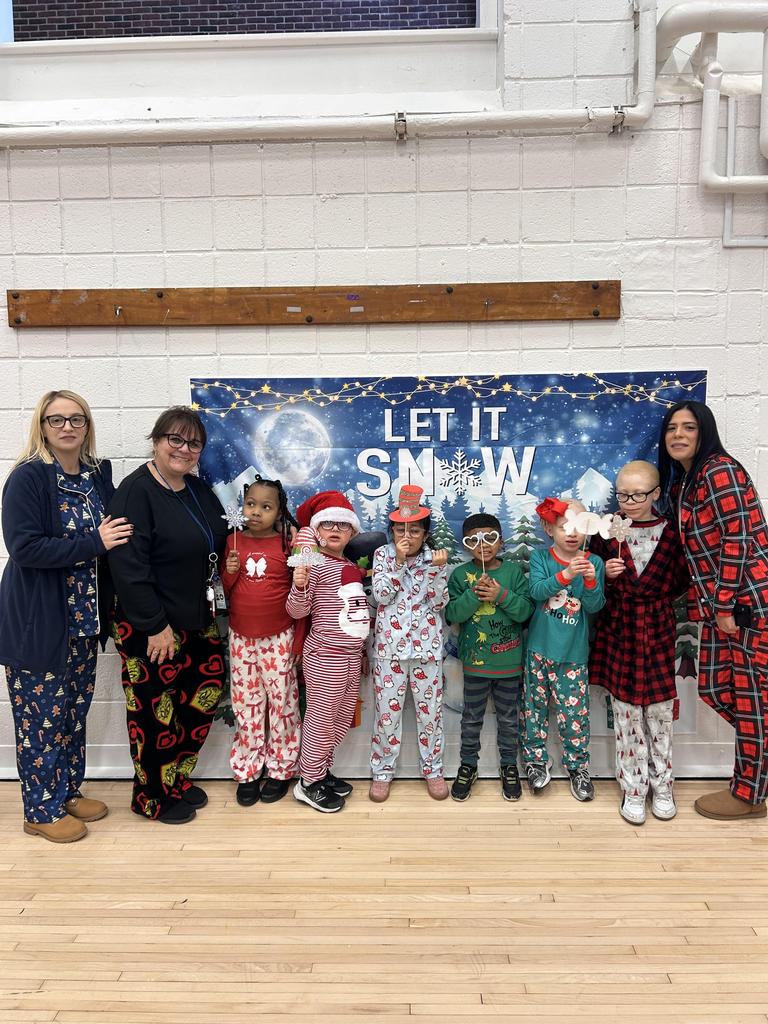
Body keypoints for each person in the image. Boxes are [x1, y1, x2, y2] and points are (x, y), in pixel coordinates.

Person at [0, 390, 132, 843]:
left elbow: (117, 534)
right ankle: (40, 811)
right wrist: (94, 543)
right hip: (40, 624)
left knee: (73, 715)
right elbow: (25, 548)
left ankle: (67, 793)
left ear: (87, 425)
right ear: (42, 426)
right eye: (56, 420)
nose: (67, 427)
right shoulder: (28, 478)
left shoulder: (95, 475)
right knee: (41, 721)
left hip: (84, 623)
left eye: (77, 419)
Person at [107, 406, 228, 824]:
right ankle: (151, 796)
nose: (184, 449)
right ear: (156, 441)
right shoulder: (135, 492)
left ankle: (174, 778)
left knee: (201, 696)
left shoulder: (196, 489)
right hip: (151, 625)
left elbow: (218, 537)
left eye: (194, 443)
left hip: (197, 618)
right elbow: (127, 566)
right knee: (154, 713)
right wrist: (154, 626)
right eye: (175, 439)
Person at [659, 400, 768, 821]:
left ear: (704, 432)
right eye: (672, 428)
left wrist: (724, 605)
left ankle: (749, 794)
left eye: (689, 427)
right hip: (720, 609)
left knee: (753, 703)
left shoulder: (719, 471)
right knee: (715, 690)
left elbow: (737, 540)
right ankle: (755, 771)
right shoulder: (686, 482)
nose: (679, 435)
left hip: (747, 605)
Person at [589, 461, 689, 826]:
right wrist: (606, 574)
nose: (629, 502)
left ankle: (663, 786)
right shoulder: (607, 531)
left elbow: (681, 580)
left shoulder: (673, 532)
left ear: (656, 494)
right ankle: (633, 788)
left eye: (638, 495)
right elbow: (592, 581)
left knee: (660, 713)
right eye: (623, 495)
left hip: (658, 629)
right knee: (626, 714)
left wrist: (655, 598)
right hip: (621, 629)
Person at [287, 490, 371, 813]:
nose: (335, 529)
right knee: (321, 721)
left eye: (342, 524)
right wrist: (300, 583)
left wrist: (361, 653)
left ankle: (321, 771)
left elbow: (355, 611)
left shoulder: (349, 565)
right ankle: (308, 782)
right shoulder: (314, 564)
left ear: (352, 531)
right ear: (317, 530)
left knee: (340, 719)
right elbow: (296, 610)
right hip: (326, 655)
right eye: (328, 524)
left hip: (350, 657)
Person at [222, 475, 301, 807]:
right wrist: (230, 571)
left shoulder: (287, 545)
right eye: (250, 504)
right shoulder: (234, 541)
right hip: (241, 637)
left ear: (279, 512)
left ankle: (281, 769)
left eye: (266, 507)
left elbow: (301, 595)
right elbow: (226, 590)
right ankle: (248, 770)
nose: (256, 512)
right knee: (246, 705)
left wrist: (298, 642)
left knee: (282, 705)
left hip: (279, 637)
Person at [368, 485, 450, 803]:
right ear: (392, 530)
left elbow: (439, 603)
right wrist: (399, 562)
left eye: (414, 530)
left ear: (425, 534)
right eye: (400, 529)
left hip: (427, 650)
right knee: (386, 716)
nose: (407, 536)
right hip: (390, 651)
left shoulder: (434, 558)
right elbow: (382, 596)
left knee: (431, 716)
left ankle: (433, 769)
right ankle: (382, 772)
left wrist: (438, 572)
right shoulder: (383, 555)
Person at [446, 513, 533, 803]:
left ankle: (509, 766)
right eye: (474, 540)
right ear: (466, 545)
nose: (483, 545)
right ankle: (468, 766)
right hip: (475, 664)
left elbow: (524, 613)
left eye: (490, 538)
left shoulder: (513, 573)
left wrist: (500, 595)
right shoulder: (460, 576)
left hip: (509, 664)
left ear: (501, 541)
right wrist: (474, 594)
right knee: (471, 719)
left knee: (509, 719)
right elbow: (453, 615)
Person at [523, 497, 605, 802]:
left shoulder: (594, 562)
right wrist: (566, 574)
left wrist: (590, 580)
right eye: (563, 526)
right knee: (534, 711)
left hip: (573, 655)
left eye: (579, 526)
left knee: (574, 715)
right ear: (549, 529)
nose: (572, 533)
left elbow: (595, 607)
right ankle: (535, 761)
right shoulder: (540, 558)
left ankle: (578, 766)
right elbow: (536, 591)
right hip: (538, 650)